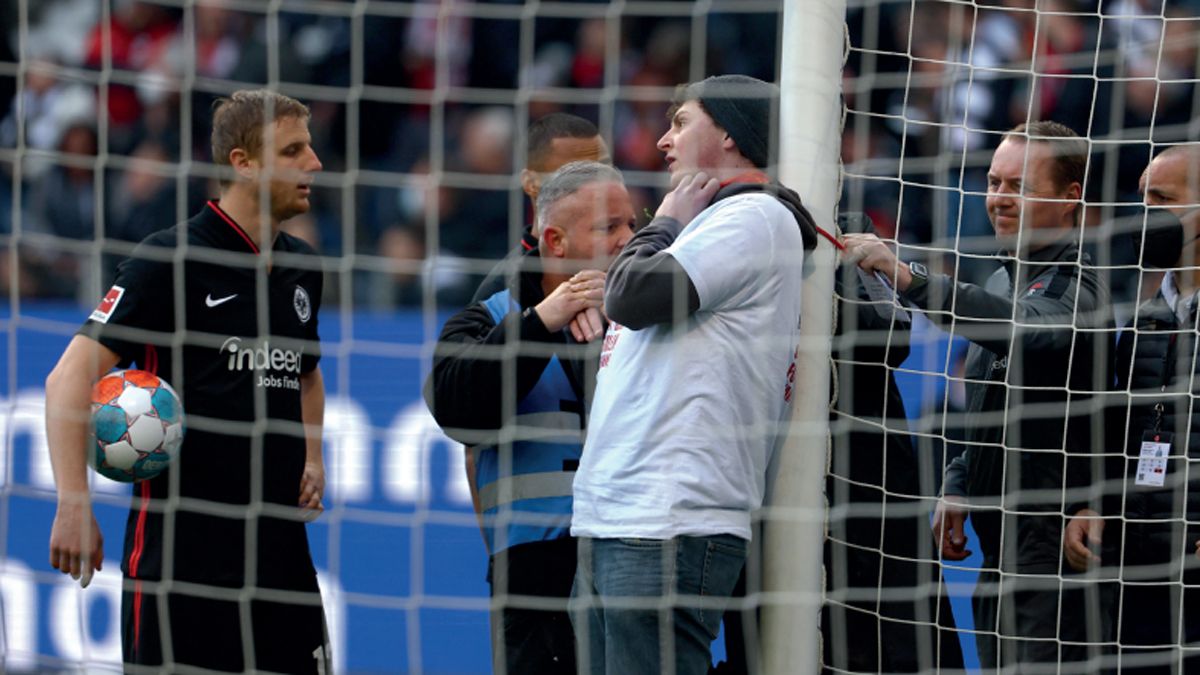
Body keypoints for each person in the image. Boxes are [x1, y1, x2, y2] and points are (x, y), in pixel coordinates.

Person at [45, 89, 330, 673]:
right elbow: (67, 378)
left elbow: (307, 374)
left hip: (282, 562)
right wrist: (74, 502)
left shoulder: (303, 265)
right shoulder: (169, 260)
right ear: (242, 162)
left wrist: (314, 456)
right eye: (294, 150)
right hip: (182, 563)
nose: (315, 164)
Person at [843, 120, 1114, 672]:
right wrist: (959, 482)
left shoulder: (1080, 284)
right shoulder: (1001, 282)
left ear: (1070, 199)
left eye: (1019, 186)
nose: (999, 199)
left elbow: (1024, 327)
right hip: (998, 538)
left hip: (1053, 542)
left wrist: (912, 279)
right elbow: (990, 407)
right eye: (993, 182)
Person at [569, 74, 817, 675]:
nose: (661, 140)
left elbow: (631, 295)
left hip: (670, 521)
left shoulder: (754, 217)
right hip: (620, 516)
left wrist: (666, 221)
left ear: (730, 133)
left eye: (681, 122)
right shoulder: (710, 225)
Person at [426, 160, 635, 674]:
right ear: (555, 242)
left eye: (635, 223)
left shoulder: (648, 321)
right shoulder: (487, 319)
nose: (630, 238)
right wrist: (543, 322)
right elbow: (456, 412)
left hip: (635, 562)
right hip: (537, 576)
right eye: (611, 227)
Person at [1064, 144, 1200, 673]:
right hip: (1138, 562)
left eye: (1163, 199)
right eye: (1143, 198)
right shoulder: (1144, 317)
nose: (1146, 214)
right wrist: (1092, 504)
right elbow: (1125, 431)